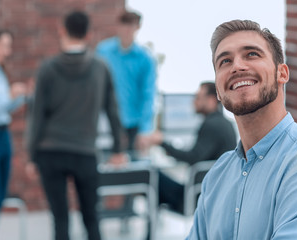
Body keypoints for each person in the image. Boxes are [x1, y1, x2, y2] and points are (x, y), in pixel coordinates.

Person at [187, 20, 297, 239]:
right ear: (218, 90)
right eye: (225, 61)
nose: (237, 66)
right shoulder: (217, 176)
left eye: (252, 54)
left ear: (282, 73)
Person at [26, 11, 125, 240]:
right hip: (85, 152)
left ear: (62, 31)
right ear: (89, 34)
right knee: (91, 218)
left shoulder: (47, 69)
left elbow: (36, 115)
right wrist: (118, 149)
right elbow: (112, 111)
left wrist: (32, 155)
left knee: (60, 219)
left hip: (50, 151)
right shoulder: (101, 68)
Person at [149, 81, 237, 213]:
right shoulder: (226, 124)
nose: (194, 102)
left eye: (198, 98)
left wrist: (162, 143)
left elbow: (193, 157)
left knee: (151, 176)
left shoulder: (211, 125)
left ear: (212, 100)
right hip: (215, 192)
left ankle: (150, 228)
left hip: (198, 196)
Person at [0, 27, 27, 240]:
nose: (7, 52)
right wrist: (8, 96)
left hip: (2, 137)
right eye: (4, 46)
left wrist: (20, 97)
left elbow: (3, 108)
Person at [96, 10, 156, 158]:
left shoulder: (145, 59)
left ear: (138, 27)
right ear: (118, 26)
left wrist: (145, 131)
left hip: (132, 125)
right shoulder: (103, 52)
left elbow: (148, 95)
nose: (127, 30)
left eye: (131, 26)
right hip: (105, 122)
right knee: (104, 168)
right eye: (124, 25)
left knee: (132, 169)